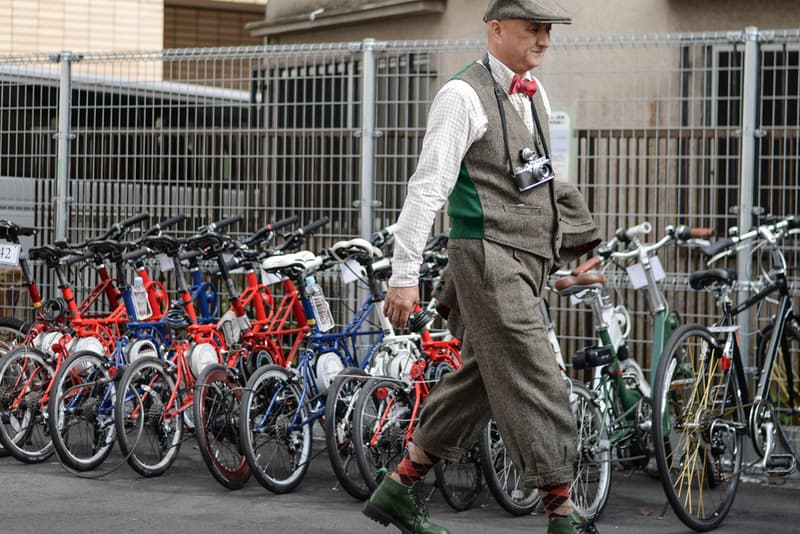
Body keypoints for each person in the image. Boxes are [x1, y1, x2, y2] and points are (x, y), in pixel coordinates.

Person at [362, 1, 601, 533]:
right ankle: (561, 510)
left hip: (520, 261)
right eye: (532, 29)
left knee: (480, 378)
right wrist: (403, 276)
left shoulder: (535, 96)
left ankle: (399, 486)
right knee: (538, 373)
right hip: (486, 258)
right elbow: (428, 188)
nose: (543, 40)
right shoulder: (461, 95)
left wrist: (568, 262)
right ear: (496, 29)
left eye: (547, 31)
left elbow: (536, 190)